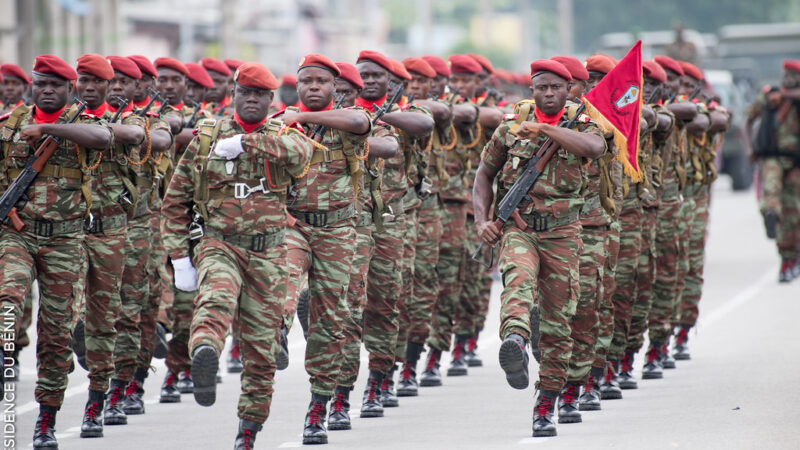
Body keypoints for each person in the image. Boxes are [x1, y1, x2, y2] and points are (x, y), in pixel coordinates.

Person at [162, 61, 314, 450]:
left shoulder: (285, 133)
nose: (250, 100)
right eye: (244, 93)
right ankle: (205, 355)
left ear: (270, 99)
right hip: (220, 244)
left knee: (262, 355)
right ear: (234, 94)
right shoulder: (207, 137)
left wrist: (248, 143)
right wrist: (180, 258)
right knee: (214, 302)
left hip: (269, 252)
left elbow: (299, 155)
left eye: (259, 95)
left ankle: (247, 433)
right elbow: (175, 201)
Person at [473, 59, 606, 438]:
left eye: (554, 88)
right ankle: (515, 339)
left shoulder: (583, 123)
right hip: (521, 230)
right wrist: (482, 220)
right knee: (516, 282)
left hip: (564, 233)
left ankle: (548, 400)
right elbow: (484, 175)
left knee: (560, 323)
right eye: (540, 88)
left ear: (568, 90)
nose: (547, 94)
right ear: (532, 90)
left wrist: (547, 129)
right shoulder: (511, 126)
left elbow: (594, 147)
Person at [0, 54, 112, 450]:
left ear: (70, 90)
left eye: (55, 86)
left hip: (65, 240)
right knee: (8, 295)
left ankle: (46, 420)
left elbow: (104, 139)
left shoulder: (84, 124)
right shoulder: (10, 125)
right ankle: (3, 351)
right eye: (40, 84)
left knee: (55, 334)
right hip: (18, 233)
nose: (47, 91)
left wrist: (52, 129)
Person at [744, 60, 800, 282]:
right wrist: (750, 148)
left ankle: (791, 257)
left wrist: (788, 97)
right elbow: (748, 119)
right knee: (771, 193)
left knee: (793, 212)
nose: (787, 78)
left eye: (792, 75)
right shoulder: (770, 97)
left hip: (795, 162)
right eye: (785, 74)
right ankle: (770, 214)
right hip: (772, 157)